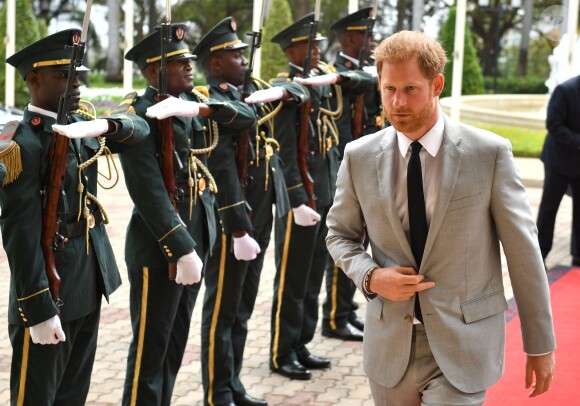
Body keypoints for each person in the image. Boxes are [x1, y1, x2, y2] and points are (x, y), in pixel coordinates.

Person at [326, 31, 556, 405]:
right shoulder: (358, 156)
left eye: (410, 89)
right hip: (390, 348)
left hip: (464, 343)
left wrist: (540, 344)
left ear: (437, 85)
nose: (397, 102)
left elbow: (523, 253)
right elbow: (338, 234)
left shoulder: (489, 154)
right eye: (389, 89)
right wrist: (370, 275)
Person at [1, 29, 149, 405]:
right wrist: (37, 309)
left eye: (77, 74)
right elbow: (20, 235)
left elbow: (140, 129)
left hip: (87, 279)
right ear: (33, 79)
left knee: (73, 395)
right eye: (64, 75)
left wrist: (105, 126)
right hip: (50, 291)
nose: (77, 83)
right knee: (37, 397)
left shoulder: (81, 126)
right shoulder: (22, 146)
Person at [120, 23, 255, 406]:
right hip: (158, 249)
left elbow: (245, 116)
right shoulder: (141, 115)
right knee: (150, 352)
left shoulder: (190, 105)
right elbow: (149, 192)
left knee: (173, 349)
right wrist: (180, 248)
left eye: (189, 60)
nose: (189, 67)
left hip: (196, 241)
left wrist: (199, 107)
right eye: (179, 62)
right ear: (152, 72)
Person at [193, 17, 311, 406]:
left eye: (244, 54)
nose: (243, 61)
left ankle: (234, 385)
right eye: (234, 55)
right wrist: (239, 227)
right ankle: (217, 392)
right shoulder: (211, 102)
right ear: (214, 64)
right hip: (236, 221)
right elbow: (223, 166)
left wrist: (269, 95)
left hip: (261, 215)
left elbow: (297, 89)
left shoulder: (252, 90)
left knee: (242, 310)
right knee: (223, 311)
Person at [268, 13, 375, 380]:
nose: (316, 50)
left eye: (317, 44)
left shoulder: (322, 84)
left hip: (323, 195)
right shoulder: (285, 90)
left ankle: (301, 343)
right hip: (301, 202)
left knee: (313, 276)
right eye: (309, 45)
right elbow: (285, 152)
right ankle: (282, 352)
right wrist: (298, 199)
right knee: (292, 280)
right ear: (291, 49)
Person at [320, 6, 385, 342]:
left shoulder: (365, 71)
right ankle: (334, 316)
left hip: (371, 167)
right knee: (347, 240)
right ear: (347, 38)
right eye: (365, 36)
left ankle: (346, 311)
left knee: (361, 240)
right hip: (349, 167)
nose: (371, 41)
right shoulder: (339, 74)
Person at [536, 73, 580, 267]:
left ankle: (578, 255)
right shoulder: (565, 90)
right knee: (549, 209)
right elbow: (553, 123)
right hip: (558, 161)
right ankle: (540, 255)